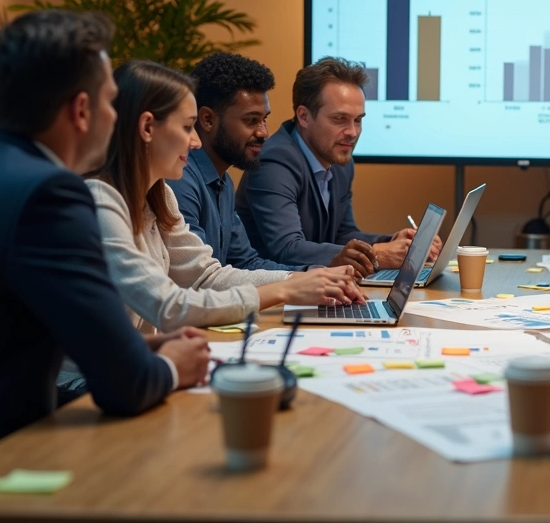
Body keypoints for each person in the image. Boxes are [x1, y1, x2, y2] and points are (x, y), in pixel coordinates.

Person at [0, 10, 209, 489]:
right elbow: (125, 388)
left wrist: (134, 347)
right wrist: (173, 367)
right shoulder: (51, 194)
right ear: (82, 111)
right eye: (112, 101)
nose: (118, 116)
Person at [87, 60, 364, 333]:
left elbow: (206, 276)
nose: (195, 142)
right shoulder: (101, 203)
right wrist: (286, 289)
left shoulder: (161, 195)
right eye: (186, 127)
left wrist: (300, 279)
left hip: (136, 361)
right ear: (147, 128)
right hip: (89, 378)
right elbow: (168, 307)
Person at [236, 57, 439, 275]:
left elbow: (343, 234)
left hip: (321, 286)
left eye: (358, 120)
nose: (352, 132)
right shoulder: (274, 162)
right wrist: (376, 254)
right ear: (304, 116)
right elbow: (287, 248)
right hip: (273, 294)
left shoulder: (341, 162)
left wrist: (393, 241)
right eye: (340, 119)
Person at [166, 52, 302, 272]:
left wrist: (314, 275)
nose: (264, 132)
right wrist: (301, 282)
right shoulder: (179, 179)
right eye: (251, 121)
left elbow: (246, 263)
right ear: (208, 119)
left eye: (264, 119)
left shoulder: (223, 182)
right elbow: (201, 276)